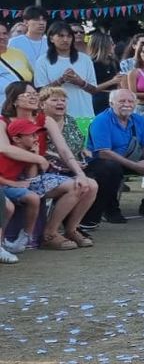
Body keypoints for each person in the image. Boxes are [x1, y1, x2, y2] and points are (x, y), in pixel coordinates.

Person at [3, 83, 95, 247]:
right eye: (27, 95)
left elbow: (63, 150)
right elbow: (4, 148)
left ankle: (61, 231)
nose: (33, 97)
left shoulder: (45, 119)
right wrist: (38, 159)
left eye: (34, 94)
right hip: (10, 174)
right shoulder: (3, 121)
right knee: (76, 186)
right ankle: (48, 235)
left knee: (86, 184)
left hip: (36, 175)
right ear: (14, 100)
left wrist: (79, 173)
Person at [82, 89, 144, 225]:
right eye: (122, 101)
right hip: (101, 164)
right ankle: (110, 211)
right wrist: (135, 166)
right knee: (111, 167)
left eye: (130, 101)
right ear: (111, 103)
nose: (127, 104)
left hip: (129, 159)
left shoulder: (139, 120)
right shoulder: (101, 121)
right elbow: (104, 152)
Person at [30, 22, 99, 134]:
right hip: (55, 118)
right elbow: (41, 92)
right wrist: (61, 80)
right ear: (51, 38)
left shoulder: (85, 59)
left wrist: (79, 82)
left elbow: (94, 90)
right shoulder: (43, 61)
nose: (65, 39)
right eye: (61, 36)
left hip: (84, 115)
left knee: (86, 151)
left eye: (68, 36)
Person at [0, 118, 46, 254]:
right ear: (17, 139)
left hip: (8, 187)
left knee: (34, 198)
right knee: (8, 206)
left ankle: (26, 237)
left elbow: (31, 177)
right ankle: (2, 241)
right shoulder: (5, 154)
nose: (36, 138)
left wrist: (34, 156)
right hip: (4, 186)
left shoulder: (27, 153)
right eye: (31, 135)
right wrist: (13, 183)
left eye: (36, 134)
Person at [88, 35, 121, 115]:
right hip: (99, 99)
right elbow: (90, 88)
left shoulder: (114, 61)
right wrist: (112, 81)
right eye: (111, 44)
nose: (114, 46)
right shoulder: (92, 64)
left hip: (114, 98)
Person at [0, 23, 35, 93]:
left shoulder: (18, 53)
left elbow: (32, 75)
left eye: (4, 33)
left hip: (24, 99)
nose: (2, 37)